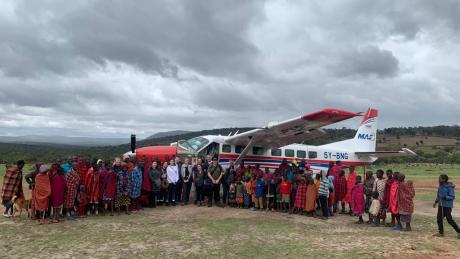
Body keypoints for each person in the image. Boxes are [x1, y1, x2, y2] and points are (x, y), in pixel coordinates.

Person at [433, 174, 460, 238]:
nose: (438, 180)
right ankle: (441, 233)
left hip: (447, 206)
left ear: (444, 179)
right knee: (439, 219)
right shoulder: (440, 186)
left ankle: (459, 231)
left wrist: (445, 197)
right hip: (441, 205)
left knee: (449, 219)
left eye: (440, 179)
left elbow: (452, 197)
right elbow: (438, 195)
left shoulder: (449, 187)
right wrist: (436, 202)